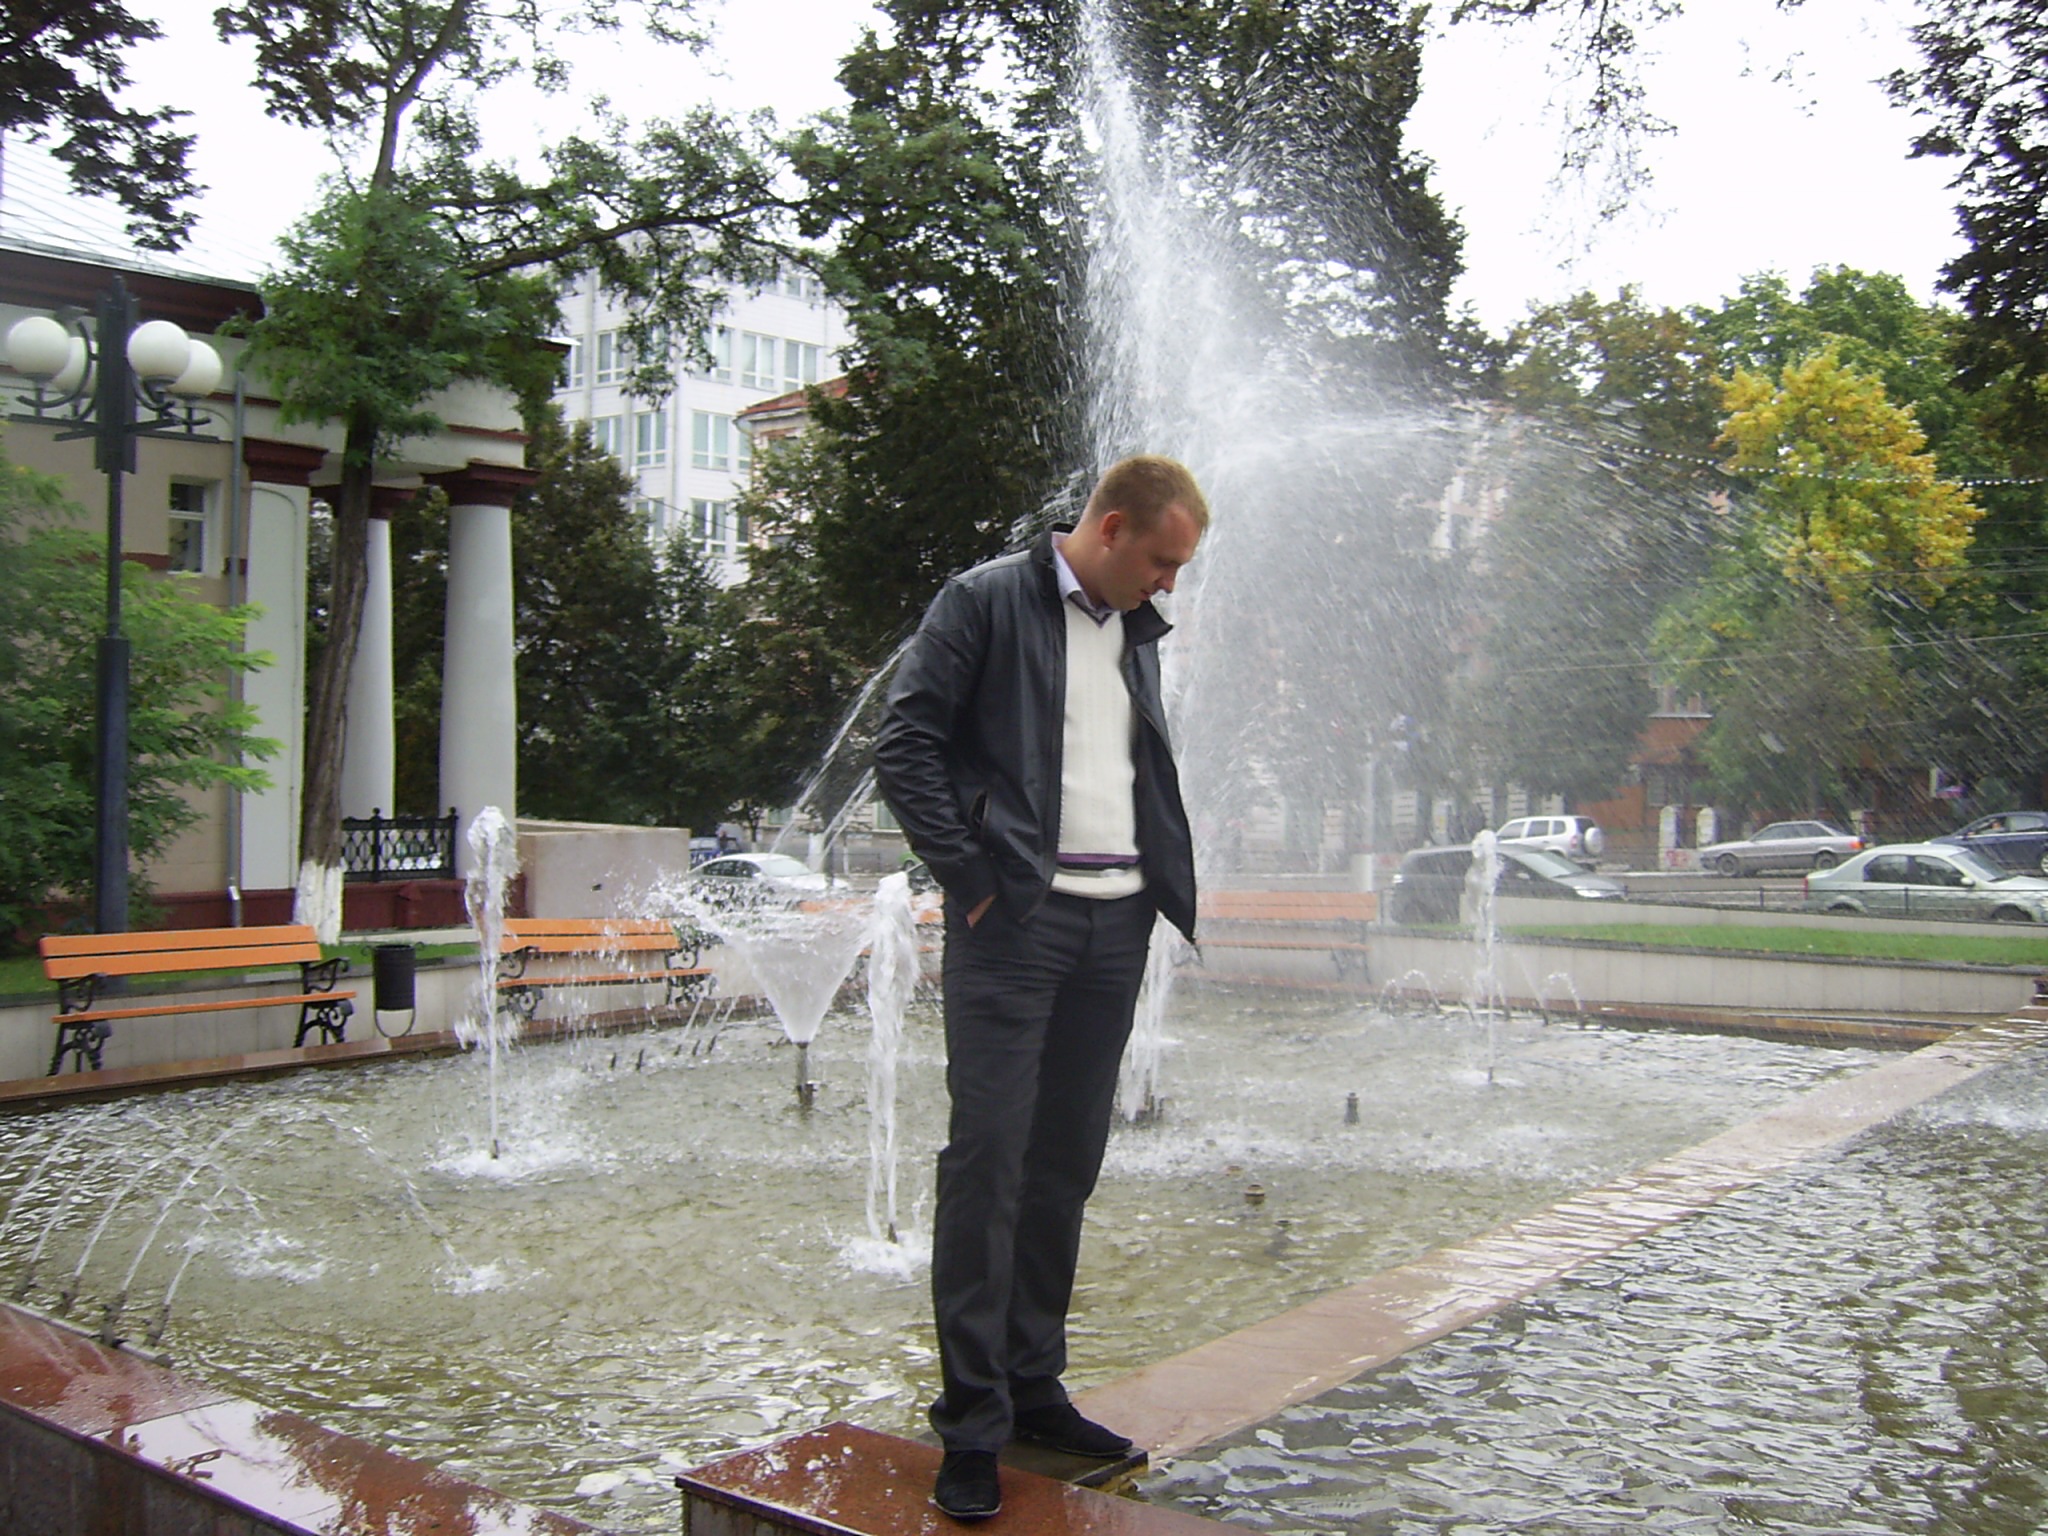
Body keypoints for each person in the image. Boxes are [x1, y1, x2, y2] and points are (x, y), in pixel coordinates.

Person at [874, 454, 1207, 1520]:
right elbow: (904, 746)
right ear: (1111, 529)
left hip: (1116, 926)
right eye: (1161, 560)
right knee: (988, 1165)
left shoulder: (1134, 627)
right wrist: (972, 883)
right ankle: (971, 1426)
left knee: (1063, 1163)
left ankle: (1032, 1388)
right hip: (1016, 923)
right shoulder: (983, 601)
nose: (1169, 583)